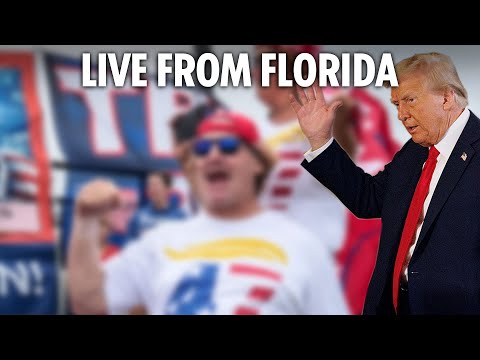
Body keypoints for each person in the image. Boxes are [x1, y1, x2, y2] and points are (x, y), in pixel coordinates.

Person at [66, 110, 348, 315]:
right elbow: (91, 302)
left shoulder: (302, 245)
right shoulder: (161, 241)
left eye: (228, 146)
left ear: (258, 163)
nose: (213, 155)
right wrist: (86, 220)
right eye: (202, 149)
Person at [291, 52, 478, 315]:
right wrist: (321, 141)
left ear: (446, 98)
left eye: (410, 100)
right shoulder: (414, 152)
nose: (402, 115)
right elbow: (368, 199)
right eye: (396, 104)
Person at [253, 45, 398, 314]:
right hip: (269, 260)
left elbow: (364, 180)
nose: (256, 74)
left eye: (267, 65)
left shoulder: (334, 108)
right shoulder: (259, 133)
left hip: (324, 260)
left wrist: (330, 129)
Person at [127, 171, 186, 239]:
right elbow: (130, 244)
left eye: (156, 185)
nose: (152, 189)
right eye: (150, 185)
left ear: (168, 189)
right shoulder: (139, 216)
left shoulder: (180, 217)